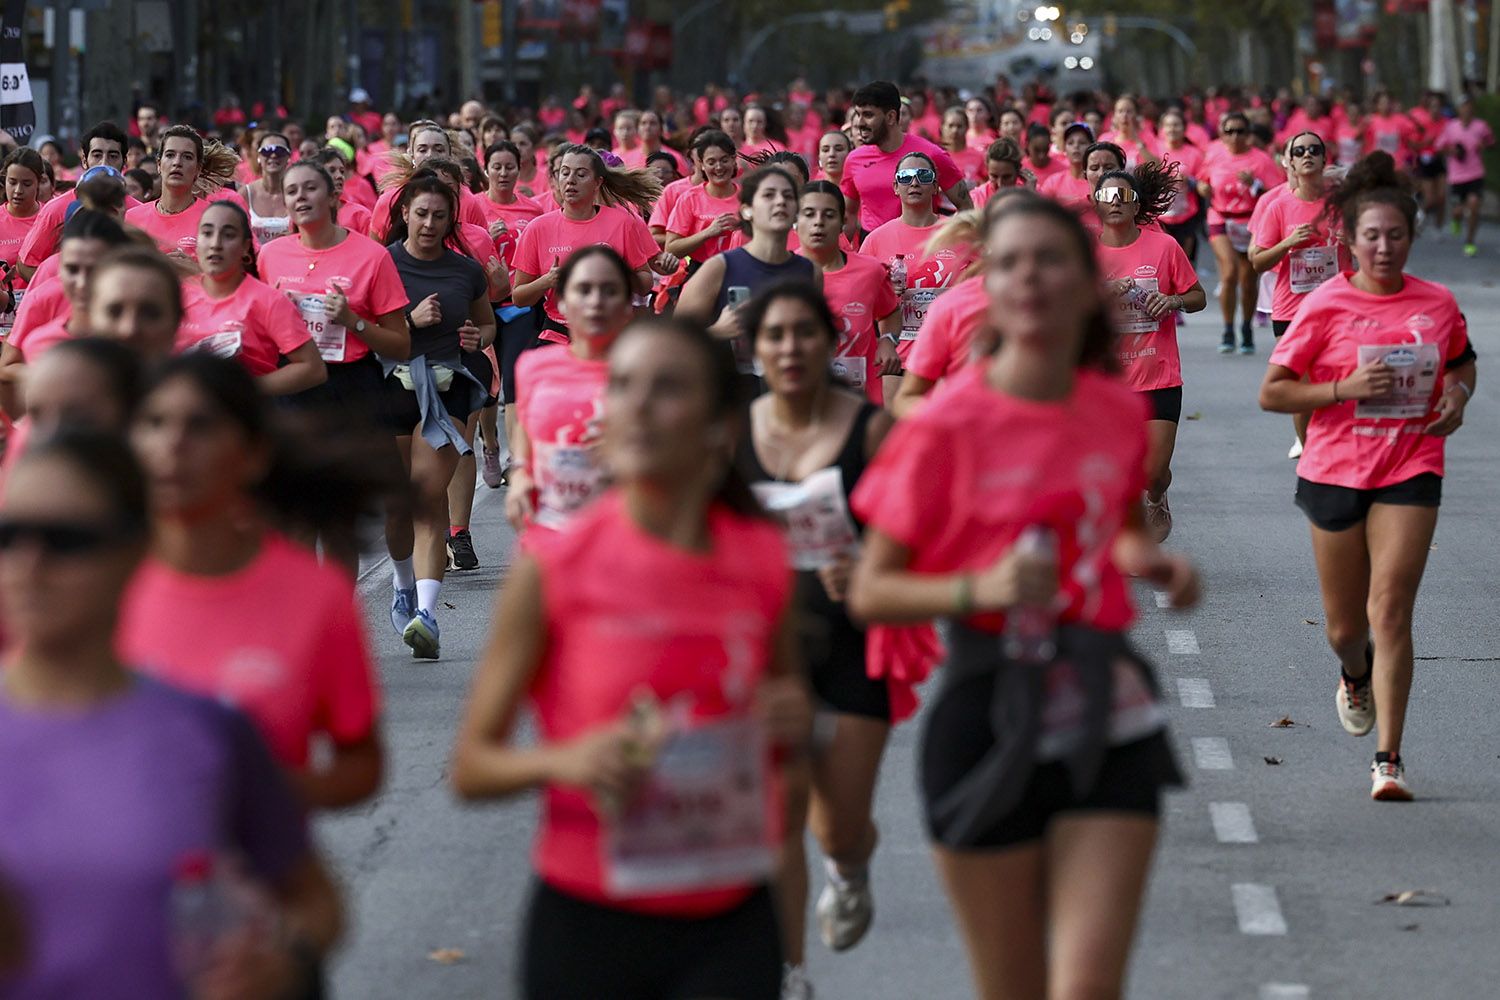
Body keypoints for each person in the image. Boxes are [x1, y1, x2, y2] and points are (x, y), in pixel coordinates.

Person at [846, 193, 1197, 1000]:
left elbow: (1105, 528)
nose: (1031, 277)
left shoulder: (1112, 408)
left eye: (1051, 260)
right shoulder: (943, 428)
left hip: (1108, 710)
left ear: (1084, 282)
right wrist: (982, 585)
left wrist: (1150, 557)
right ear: (984, 283)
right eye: (1010, 261)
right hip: (987, 708)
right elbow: (871, 588)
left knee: (1087, 988)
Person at [452, 315, 812, 1000]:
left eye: (667, 387)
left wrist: (791, 723)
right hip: (589, 918)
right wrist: (566, 760)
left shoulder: (762, 558)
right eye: (622, 386)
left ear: (716, 424)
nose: (638, 406)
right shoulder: (556, 569)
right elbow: (473, 767)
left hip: (728, 915)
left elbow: (790, 741)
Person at [0, 428, 343, 998]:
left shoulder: (205, 730)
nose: (29, 563)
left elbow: (313, 898)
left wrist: (283, 959)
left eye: (66, 540)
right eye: (9, 536)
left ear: (136, 551)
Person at [1258, 153, 1476, 802]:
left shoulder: (1437, 304)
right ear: (1349, 241)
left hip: (1410, 464)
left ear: (1411, 237)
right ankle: (1354, 673)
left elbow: (1462, 366)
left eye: (1396, 235)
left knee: (1391, 610)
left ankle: (1390, 759)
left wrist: (1457, 400)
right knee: (1347, 630)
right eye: (1371, 236)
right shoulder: (1324, 305)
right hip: (1333, 469)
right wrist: (1344, 387)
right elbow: (1274, 393)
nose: (1384, 247)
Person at [121, 355, 385, 809]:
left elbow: (360, 764)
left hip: (253, 873)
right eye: (154, 423)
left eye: (200, 425)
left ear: (254, 454)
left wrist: (258, 795)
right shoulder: (91, 578)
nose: (173, 444)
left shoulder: (317, 595)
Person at [734, 284, 895, 997]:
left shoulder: (872, 430)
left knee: (838, 828)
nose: (791, 348)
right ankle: (789, 971)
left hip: (853, 641)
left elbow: (915, 541)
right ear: (755, 348)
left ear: (831, 342)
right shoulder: (730, 433)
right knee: (778, 817)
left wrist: (868, 566)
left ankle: (850, 867)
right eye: (775, 336)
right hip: (768, 654)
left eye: (805, 333)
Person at [257, 160, 412, 581]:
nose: (301, 197)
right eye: (292, 191)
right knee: (297, 519)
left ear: (333, 197)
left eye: (310, 188)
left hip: (350, 389)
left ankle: (341, 615)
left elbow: (400, 344)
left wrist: (353, 321)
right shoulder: (270, 256)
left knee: (338, 521)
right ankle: (302, 622)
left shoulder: (371, 256)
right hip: (293, 386)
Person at [381, 173, 494, 657]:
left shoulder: (465, 270)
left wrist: (478, 339)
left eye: (439, 215)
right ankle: (403, 584)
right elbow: (366, 328)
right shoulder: (380, 262)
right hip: (389, 385)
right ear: (404, 212)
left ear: (452, 220)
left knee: (428, 499)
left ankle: (427, 615)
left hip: (446, 387)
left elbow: (487, 322)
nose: (429, 223)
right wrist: (408, 322)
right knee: (397, 505)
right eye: (421, 213)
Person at [1093, 161, 1207, 541]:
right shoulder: (1084, 254)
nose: (1115, 202)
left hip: (1158, 375)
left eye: (1123, 195)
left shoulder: (1164, 246)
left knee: (1153, 471)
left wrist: (1172, 300)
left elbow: (1198, 297)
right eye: (1107, 195)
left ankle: (1157, 493)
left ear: (1136, 203)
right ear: (1096, 202)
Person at [505, 246, 634, 537]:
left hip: (623, 532)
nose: (596, 302)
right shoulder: (533, 365)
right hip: (551, 528)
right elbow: (527, 427)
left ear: (628, 305)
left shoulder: (645, 368)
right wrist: (520, 476)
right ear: (561, 302)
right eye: (583, 290)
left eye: (610, 291)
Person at [1249, 131, 1349, 457]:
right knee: (1303, 388)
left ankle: (1336, 446)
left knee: (1339, 382)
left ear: (1324, 159)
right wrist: (1287, 244)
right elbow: (1257, 261)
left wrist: (1352, 240)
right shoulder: (1278, 206)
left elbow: (1369, 251)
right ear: (1289, 162)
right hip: (1291, 310)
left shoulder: (1342, 207)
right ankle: (1311, 456)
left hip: (1339, 309)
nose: (1307, 155)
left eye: (1314, 150)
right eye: (1299, 151)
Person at [510, 144, 672, 343]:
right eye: (565, 172)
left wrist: (617, 276)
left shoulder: (623, 222)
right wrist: (547, 281)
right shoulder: (538, 228)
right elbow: (518, 297)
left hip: (611, 332)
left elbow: (645, 283)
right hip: (558, 331)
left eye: (581, 174)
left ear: (597, 182)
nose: (570, 180)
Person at [677, 166, 815, 378]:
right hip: (733, 398)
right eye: (769, 195)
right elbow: (675, 341)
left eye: (788, 196)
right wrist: (717, 331)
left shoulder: (810, 271)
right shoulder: (720, 267)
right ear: (747, 210)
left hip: (790, 395)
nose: (780, 201)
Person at [179, 200, 328, 393]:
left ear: (245, 247)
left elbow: (314, 369)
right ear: (196, 243)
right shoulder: (178, 294)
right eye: (207, 233)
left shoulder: (269, 300)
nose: (215, 244)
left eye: (228, 235)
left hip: (243, 417)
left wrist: (243, 391)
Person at [858, 151, 975, 397]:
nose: (914, 182)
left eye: (923, 176)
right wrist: (886, 293)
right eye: (905, 176)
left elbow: (982, 292)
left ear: (935, 187)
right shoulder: (876, 240)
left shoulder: (960, 234)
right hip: (897, 360)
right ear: (895, 187)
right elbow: (860, 303)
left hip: (950, 357)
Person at [794, 181, 900, 405]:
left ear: (843, 222)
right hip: (802, 402)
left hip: (859, 402)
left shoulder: (870, 271)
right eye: (809, 214)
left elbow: (890, 312)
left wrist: (888, 340)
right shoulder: (781, 273)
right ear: (795, 221)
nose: (818, 223)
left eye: (829, 215)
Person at [1198, 111, 1282, 355]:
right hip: (1221, 218)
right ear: (1222, 134)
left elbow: (1276, 194)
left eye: (1240, 131)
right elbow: (1202, 181)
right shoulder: (1214, 155)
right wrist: (1203, 187)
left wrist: (1255, 184)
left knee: (1248, 281)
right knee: (1230, 273)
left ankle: (1245, 328)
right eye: (1229, 131)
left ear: (1249, 135)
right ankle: (1227, 329)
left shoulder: (1261, 160)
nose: (1235, 136)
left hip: (1251, 221)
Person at [840, 81, 970, 237]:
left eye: (868, 115)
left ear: (891, 117)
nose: (859, 123)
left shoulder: (931, 154)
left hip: (922, 251)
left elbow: (966, 207)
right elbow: (848, 215)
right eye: (858, 114)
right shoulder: (854, 159)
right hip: (872, 253)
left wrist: (944, 241)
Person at [15, 122, 140, 281]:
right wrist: (62, 293)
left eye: (113, 156)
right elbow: (26, 264)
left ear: (124, 162)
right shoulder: (56, 208)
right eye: (96, 155)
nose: (104, 163)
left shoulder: (139, 211)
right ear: (84, 161)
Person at [125, 125, 239, 273]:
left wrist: (197, 271)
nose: (177, 163)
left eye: (187, 157)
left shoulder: (214, 218)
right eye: (170, 155)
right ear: (159, 165)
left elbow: (231, 280)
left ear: (198, 169)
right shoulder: (133, 217)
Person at [665, 130, 743, 266]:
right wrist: (708, 232)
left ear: (734, 159)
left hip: (742, 269)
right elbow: (671, 249)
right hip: (701, 270)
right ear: (701, 164)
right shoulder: (689, 199)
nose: (719, 167)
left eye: (724, 160)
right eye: (711, 162)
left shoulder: (748, 196)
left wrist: (744, 227)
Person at [1440, 93, 1494, 258]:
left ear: (1473, 109)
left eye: (1469, 106)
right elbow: (1440, 147)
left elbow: (1492, 143)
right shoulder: (1451, 127)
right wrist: (1452, 150)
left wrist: (1483, 144)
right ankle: (1456, 219)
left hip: (1475, 173)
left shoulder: (1481, 126)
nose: (1466, 109)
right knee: (1457, 211)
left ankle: (1470, 241)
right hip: (1457, 177)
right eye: (1463, 106)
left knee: (1474, 204)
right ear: (1459, 109)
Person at [0, 148, 45, 339]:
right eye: (12, 182)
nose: (18, 191)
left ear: (39, 182)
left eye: (26, 184)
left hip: (41, 320)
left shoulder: (51, 218)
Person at [1154, 109, 1205, 265]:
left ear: (1184, 129)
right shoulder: (1154, 149)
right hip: (1160, 217)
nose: (1172, 129)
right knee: (1164, 262)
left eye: (1176, 125)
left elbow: (1203, 182)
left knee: (1186, 263)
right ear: (1162, 128)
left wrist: (1188, 181)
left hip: (1187, 216)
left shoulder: (1194, 153)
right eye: (1168, 125)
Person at [242, 129, 294, 245]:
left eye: (280, 150)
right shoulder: (246, 193)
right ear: (259, 157)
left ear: (288, 157)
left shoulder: (297, 192)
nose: (273, 155)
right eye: (266, 151)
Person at [1037, 121, 1094, 217]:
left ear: (1091, 147)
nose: (1076, 146)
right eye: (1070, 143)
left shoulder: (1099, 182)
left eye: (1082, 142)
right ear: (1064, 149)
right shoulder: (1053, 182)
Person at [969, 138, 1026, 208]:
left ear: (1018, 171)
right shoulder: (976, 197)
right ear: (987, 170)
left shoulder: (1031, 192)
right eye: (994, 176)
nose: (1000, 184)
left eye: (1006, 177)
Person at [939, 106, 984, 184]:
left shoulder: (979, 156)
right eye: (951, 126)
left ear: (967, 128)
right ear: (942, 127)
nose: (955, 130)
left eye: (959, 126)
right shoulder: (935, 156)